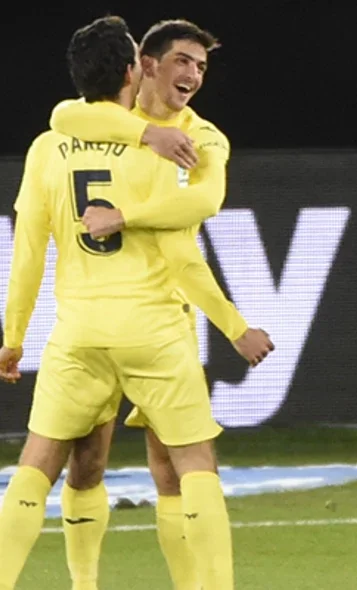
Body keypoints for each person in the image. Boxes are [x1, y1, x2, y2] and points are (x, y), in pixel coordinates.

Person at [0, 16, 268, 590]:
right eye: (181, 61)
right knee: (189, 468)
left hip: (78, 331)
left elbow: (27, 251)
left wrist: (13, 335)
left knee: (42, 465)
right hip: (154, 328)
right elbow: (184, 253)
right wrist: (234, 325)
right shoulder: (160, 150)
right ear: (139, 67)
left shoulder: (53, 143)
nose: (193, 74)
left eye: (201, 65)